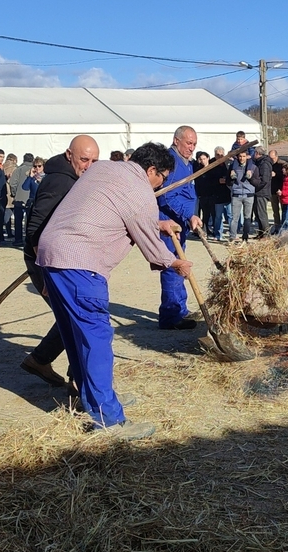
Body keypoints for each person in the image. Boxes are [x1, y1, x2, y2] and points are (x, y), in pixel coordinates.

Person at [36, 142, 192, 439]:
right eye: (162, 178)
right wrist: (174, 263)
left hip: (52, 256)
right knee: (96, 339)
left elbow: (111, 210)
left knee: (75, 336)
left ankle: (91, 400)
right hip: (81, 263)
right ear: (151, 170)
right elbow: (150, 245)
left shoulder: (105, 168)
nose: (161, 184)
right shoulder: (140, 190)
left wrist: (157, 223)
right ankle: (109, 419)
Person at [22, 135, 100, 387]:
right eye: (84, 159)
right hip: (47, 261)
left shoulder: (75, 178)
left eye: (94, 161)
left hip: (64, 258)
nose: (89, 166)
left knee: (71, 316)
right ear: (69, 155)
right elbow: (35, 227)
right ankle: (79, 383)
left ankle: (40, 360)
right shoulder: (60, 181)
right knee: (77, 319)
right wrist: (45, 273)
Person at [157, 126, 204, 330]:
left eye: (194, 144)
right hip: (169, 223)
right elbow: (167, 197)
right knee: (173, 266)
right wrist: (189, 214)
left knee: (181, 264)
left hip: (180, 222)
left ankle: (180, 310)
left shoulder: (187, 163)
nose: (192, 148)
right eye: (188, 143)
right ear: (176, 141)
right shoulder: (171, 162)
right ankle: (171, 316)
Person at [229, 149, 258, 241]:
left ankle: (245, 237)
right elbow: (228, 181)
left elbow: (257, 181)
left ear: (247, 157)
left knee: (247, 217)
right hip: (236, 195)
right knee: (234, 218)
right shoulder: (233, 167)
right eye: (240, 156)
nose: (242, 158)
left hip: (248, 195)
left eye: (244, 156)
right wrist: (231, 181)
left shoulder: (253, 167)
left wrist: (251, 179)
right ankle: (232, 237)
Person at [9, 153, 34, 248]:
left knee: (18, 220)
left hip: (19, 198)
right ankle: (29, 239)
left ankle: (18, 239)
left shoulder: (18, 170)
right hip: (31, 199)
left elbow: (13, 183)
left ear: (23, 160)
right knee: (30, 220)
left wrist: (15, 193)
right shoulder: (35, 170)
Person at [251, 146, 273, 238]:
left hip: (262, 192)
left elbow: (264, 180)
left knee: (262, 214)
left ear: (257, 153)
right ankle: (261, 234)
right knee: (258, 214)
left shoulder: (264, 164)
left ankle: (266, 235)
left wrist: (254, 184)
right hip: (259, 192)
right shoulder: (259, 162)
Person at [268, 149, 283, 232]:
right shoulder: (268, 164)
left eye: (273, 158)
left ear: (276, 156)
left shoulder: (282, 164)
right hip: (272, 190)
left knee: (284, 209)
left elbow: (285, 176)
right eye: (270, 158)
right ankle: (277, 227)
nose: (271, 160)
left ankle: (284, 227)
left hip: (281, 190)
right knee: (275, 210)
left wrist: (276, 174)